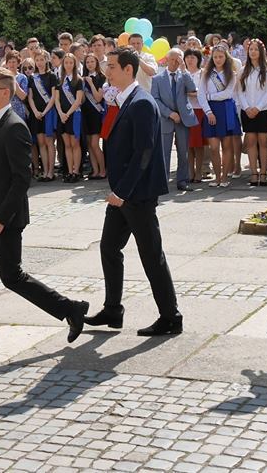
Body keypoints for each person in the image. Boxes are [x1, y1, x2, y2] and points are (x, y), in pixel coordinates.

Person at [0, 68, 88, 357]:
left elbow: (20, 179)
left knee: (11, 276)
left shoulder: (15, 126)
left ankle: (70, 309)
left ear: (4, 93)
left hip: (6, 217)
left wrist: (1, 218)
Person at [85, 48, 182, 336]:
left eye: (112, 66)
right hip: (123, 193)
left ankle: (171, 317)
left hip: (136, 194)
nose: (107, 71)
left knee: (151, 255)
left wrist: (123, 192)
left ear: (129, 70)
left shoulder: (141, 103)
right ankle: (113, 310)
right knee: (109, 248)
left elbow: (144, 151)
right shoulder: (125, 100)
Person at [150, 48, 199, 191]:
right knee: (164, 152)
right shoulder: (157, 79)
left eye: (178, 59)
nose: (175, 62)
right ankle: (162, 181)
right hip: (166, 119)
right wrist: (169, 113)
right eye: (172, 59)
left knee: (183, 152)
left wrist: (184, 70)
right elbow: (155, 99)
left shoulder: (183, 76)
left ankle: (182, 181)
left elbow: (192, 89)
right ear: (166, 60)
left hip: (183, 118)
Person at [197, 45, 240, 187]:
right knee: (214, 147)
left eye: (221, 56)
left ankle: (224, 177)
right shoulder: (206, 73)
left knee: (227, 145)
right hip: (211, 110)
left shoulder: (231, 74)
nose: (218, 59)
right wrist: (208, 112)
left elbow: (227, 94)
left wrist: (210, 96)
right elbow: (200, 94)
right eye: (215, 57)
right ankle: (216, 177)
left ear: (226, 57)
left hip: (226, 109)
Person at [237, 39, 267, 186]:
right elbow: (240, 92)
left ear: (261, 52)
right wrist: (247, 108)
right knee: (251, 141)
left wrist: (258, 108)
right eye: (251, 49)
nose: (253, 52)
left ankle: (264, 172)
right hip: (247, 111)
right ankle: (253, 172)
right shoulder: (243, 70)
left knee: (264, 141)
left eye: (256, 49)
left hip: (264, 110)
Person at [28, 54, 58, 182]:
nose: (39, 62)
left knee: (49, 141)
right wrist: (35, 111)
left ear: (46, 60)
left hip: (49, 112)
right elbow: (30, 96)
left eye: (42, 59)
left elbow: (53, 96)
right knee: (41, 142)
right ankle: (45, 171)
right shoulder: (32, 78)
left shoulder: (52, 76)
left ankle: (51, 172)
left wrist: (45, 111)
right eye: (37, 60)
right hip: (37, 114)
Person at [55, 53, 84, 182]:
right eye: (66, 63)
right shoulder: (59, 80)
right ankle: (70, 171)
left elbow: (78, 100)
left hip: (74, 114)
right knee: (67, 145)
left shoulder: (78, 80)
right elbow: (56, 99)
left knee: (75, 144)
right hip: (62, 116)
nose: (68, 65)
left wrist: (67, 114)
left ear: (74, 64)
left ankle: (76, 171)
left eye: (70, 63)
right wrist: (61, 113)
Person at [80, 53, 107, 180]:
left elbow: (98, 98)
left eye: (92, 61)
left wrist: (90, 84)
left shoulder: (102, 77)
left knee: (96, 144)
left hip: (97, 113)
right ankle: (95, 170)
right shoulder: (82, 78)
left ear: (96, 63)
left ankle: (102, 170)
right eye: (87, 62)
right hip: (86, 113)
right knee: (90, 144)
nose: (90, 64)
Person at [183, 48, 207, 184]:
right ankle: (190, 171)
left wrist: (193, 93)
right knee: (188, 144)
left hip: (198, 110)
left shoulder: (202, 74)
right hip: (185, 111)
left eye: (193, 57)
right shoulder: (182, 74)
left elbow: (204, 92)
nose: (190, 60)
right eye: (188, 57)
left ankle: (199, 172)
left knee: (198, 144)